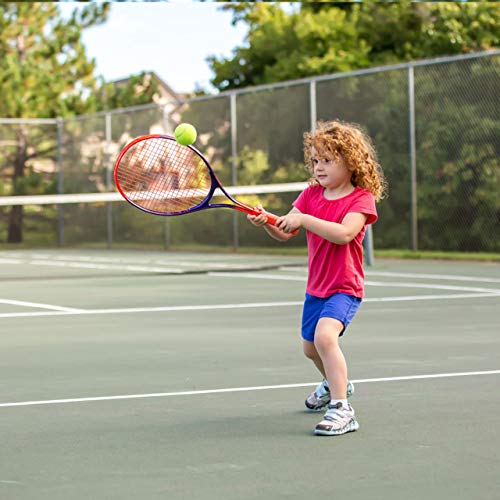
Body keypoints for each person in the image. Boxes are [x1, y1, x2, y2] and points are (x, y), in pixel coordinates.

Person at [248, 120, 387, 436]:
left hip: (344, 286)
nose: (318, 167)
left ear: (350, 162)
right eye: (315, 160)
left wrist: (305, 219)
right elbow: (286, 233)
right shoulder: (310, 194)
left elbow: (345, 234)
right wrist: (268, 222)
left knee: (326, 338)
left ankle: (342, 409)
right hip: (316, 287)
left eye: (327, 160)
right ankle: (335, 383)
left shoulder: (360, 199)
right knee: (310, 349)